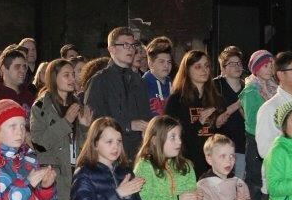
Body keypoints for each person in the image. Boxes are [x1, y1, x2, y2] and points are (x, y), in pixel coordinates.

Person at [30, 59, 91, 200]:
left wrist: (84, 126)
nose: (71, 79)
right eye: (66, 74)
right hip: (53, 178)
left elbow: (84, 147)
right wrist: (66, 121)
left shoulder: (77, 105)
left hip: (73, 178)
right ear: (53, 78)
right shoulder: (41, 107)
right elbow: (40, 142)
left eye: (73, 75)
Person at [84, 27, 150, 160]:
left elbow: (145, 115)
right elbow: (95, 122)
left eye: (133, 45)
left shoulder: (139, 80)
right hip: (111, 154)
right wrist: (128, 125)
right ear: (111, 49)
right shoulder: (99, 81)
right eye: (125, 45)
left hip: (138, 152)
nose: (131, 49)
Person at [165, 50, 223, 178]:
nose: (204, 70)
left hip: (212, 162)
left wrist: (220, 124)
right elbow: (171, 134)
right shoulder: (176, 99)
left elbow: (218, 134)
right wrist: (199, 122)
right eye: (198, 66)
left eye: (206, 66)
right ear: (187, 70)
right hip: (186, 163)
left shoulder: (215, 97)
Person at [238, 49, 276, 200]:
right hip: (256, 139)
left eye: (271, 65)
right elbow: (252, 121)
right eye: (265, 65)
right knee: (255, 181)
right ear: (256, 68)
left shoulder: (274, 88)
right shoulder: (251, 90)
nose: (269, 68)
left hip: (272, 140)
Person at [213, 47, 247, 181]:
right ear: (223, 68)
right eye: (232, 64)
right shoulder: (215, 85)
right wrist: (238, 103)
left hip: (242, 145)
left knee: (239, 183)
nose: (237, 66)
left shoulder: (247, 87)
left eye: (239, 63)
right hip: (221, 144)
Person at [0, 45, 35, 112]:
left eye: (24, 67)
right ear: (4, 68)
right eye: (17, 67)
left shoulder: (28, 96)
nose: (23, 70)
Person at [142, 36, 173, 117]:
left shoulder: (174, 84)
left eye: (169, 62)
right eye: (161, 62)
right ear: (151, 64)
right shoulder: (142, 85)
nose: (166, 65)